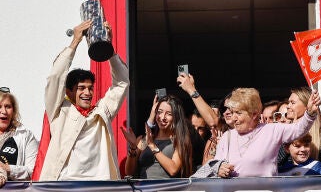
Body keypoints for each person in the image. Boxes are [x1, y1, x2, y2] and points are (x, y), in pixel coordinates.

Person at [39, 20, 129, 181]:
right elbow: (55, 78)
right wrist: (75, 41)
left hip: (99, 186)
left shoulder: (102, 112)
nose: (87, 92)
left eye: (90, 88)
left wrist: (108, 48)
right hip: (64, 185)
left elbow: (122, 82)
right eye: (81, 88)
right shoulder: (59, 111)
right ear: (69, 91)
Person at [191, 87, 320, 178]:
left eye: (239, 113)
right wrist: (218, 168)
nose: (234, 117)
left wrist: (310, 113)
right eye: (233, 112)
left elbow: (299, 129)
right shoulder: (227, 136)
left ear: (254, 114)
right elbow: (214, 164)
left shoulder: (272, 130)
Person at [122, 95, 193, 178]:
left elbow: (173, 170)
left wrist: (152, 146)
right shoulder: (144, 140)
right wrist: (133, 147)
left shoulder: (180, 140)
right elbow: (129, 172)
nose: (162, 117)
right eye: (159, 112)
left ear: (176, 117)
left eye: (169, 114)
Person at [278, 87, 321, 174]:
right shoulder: (286, 130)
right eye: (288, 102)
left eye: (292, 103)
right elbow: (276, 162)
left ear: (307, 105)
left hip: (314, 184)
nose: (288, 106)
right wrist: (291, 133)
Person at [0, 88, 38, 184]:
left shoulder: (26, 136)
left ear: (13, 111)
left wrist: (7, 169)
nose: (4, 111)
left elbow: (33, 171)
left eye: (8, 106)